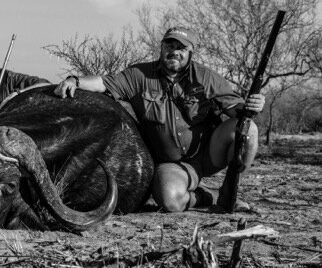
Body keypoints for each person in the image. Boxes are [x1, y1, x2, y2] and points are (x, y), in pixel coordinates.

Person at [54, 27, 265, 213]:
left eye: (181, 48)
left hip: (209, 153)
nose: (174, 52)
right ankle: (206, 196)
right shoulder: (139, 75)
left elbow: (238, 112)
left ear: (190, 53)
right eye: (169, 45)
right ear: (162, 48)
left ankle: (231, 191)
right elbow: (103, 83)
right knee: (170, 201)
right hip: (172, 163)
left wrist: (252, 107)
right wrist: (75, 80)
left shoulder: (206, 77)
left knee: (249, 129)